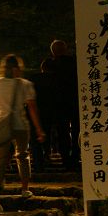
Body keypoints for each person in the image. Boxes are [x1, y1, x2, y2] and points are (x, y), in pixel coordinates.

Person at [0, 54, 45, 212]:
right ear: (16, 68)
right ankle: (25, 188)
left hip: (0, 123)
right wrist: (39, 129)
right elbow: (32, 108)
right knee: (23, 155)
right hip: (20, 124)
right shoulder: (25, 85)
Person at [47, 40, 80, 171]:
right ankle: (75, 156)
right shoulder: (74, 63)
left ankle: (66, 158)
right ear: (65, 49)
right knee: (76, 130)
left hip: (58, 103)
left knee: (62, 132)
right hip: (74, 100)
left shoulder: (50, 65)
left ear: (52, 51)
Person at [27, 59, 58, 172]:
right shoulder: (55, 79)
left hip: (35, 110)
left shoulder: (33, 78)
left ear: (42, 68)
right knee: (48, 133)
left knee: (35, 137)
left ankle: (37, 161)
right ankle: (47, 154)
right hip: (50, 110)